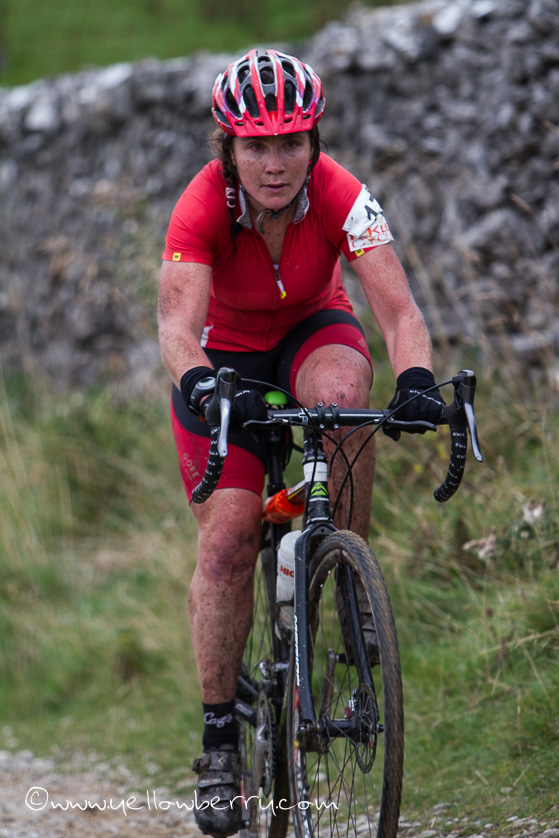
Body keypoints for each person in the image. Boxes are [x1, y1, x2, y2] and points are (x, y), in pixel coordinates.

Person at [158, 48, 444, 837]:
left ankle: (344, 583)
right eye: (257, 146)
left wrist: (416, 379)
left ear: (314, 140)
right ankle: (220, 741)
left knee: (346, 401)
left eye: (291, 142)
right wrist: (201, 384)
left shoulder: (342, 194)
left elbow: (399, 313)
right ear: (229, 148)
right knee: (226, 541)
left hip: (312, 331)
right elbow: (176, 327)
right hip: (223, 361)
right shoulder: (201, 205)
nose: (276, 164)